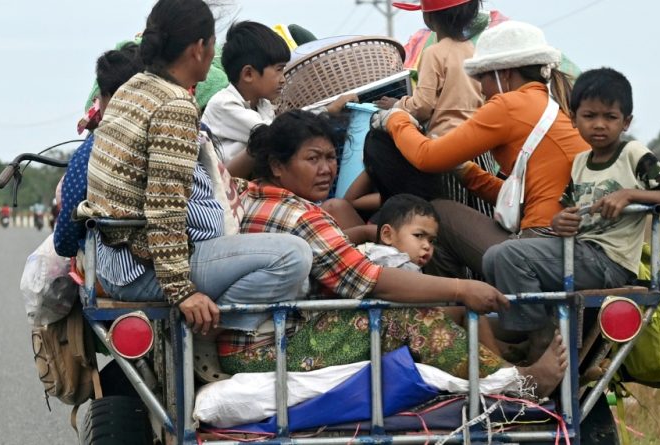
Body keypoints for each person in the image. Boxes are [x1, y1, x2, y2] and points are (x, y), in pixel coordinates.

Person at [218, 109, 568, 398]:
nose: (327, 168)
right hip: (268, 351)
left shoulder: (248, 193)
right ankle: (519, 386)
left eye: (330, 157)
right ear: (277, 165)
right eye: (313, 159)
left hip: (260, 341)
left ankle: (502, 368)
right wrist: (461, 289)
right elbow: (371, 280)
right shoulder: (302, 216)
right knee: (407, 316)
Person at [78, 0, 313, 337]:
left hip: (118, 261)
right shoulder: (173, 104)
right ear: (199, 48)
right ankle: (218, 335)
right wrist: (183, 292)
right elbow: (165, 208)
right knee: (294, 255)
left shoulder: (134, 88)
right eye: (213, 42)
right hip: (145, 270)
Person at [483, 67, 660, 358]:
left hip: (610, 262)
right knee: (494, 256)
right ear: (574, 119)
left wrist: (629, 194)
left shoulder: (633, 154)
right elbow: (567, 211)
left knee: (507, 256)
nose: (600, 125)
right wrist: (561, 221)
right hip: (579, 253)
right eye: (590, 116)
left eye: (610, 117)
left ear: (626, 122)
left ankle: (540, 344)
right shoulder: (580, 162)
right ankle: (534, 334)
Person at [371, 20, 587, 281]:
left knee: (439, 212)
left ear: (504, 74)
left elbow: (427, 157)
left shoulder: (509, 105)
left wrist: (395, 118)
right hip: (566, 242)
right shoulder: (550, 104)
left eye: (482, 77)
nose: (481, 90)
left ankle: (452, 309)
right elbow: (520, 199)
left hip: (543, 242)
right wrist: (468, 172)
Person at [373, 0, 496, 216]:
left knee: (451, 213)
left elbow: (422, 107)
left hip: (447, 146)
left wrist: (398, 105)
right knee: (483, 209)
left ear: (429, 18)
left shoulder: (434, 53)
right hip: (479, 146)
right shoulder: (475, 51)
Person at [201, 21, 357, 179]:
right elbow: (280, 133)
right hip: (221, 186)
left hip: (243, 181)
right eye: (278, 70)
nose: (283, 79)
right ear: (248, 74)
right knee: (263, 141)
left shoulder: (262, 104)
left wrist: (326, 111)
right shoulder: (224, 104)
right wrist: (326, 111)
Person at [54, 43, 144, 258]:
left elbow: (65, 241)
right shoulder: (182, 132)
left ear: (105, 98)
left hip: (114, 268)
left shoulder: (90, 152)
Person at [359, 193, 439, 271]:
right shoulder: (402, 267)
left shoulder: (366, 252)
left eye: (431, 241)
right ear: (388, 235)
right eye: (418, 235)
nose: (427, 246)